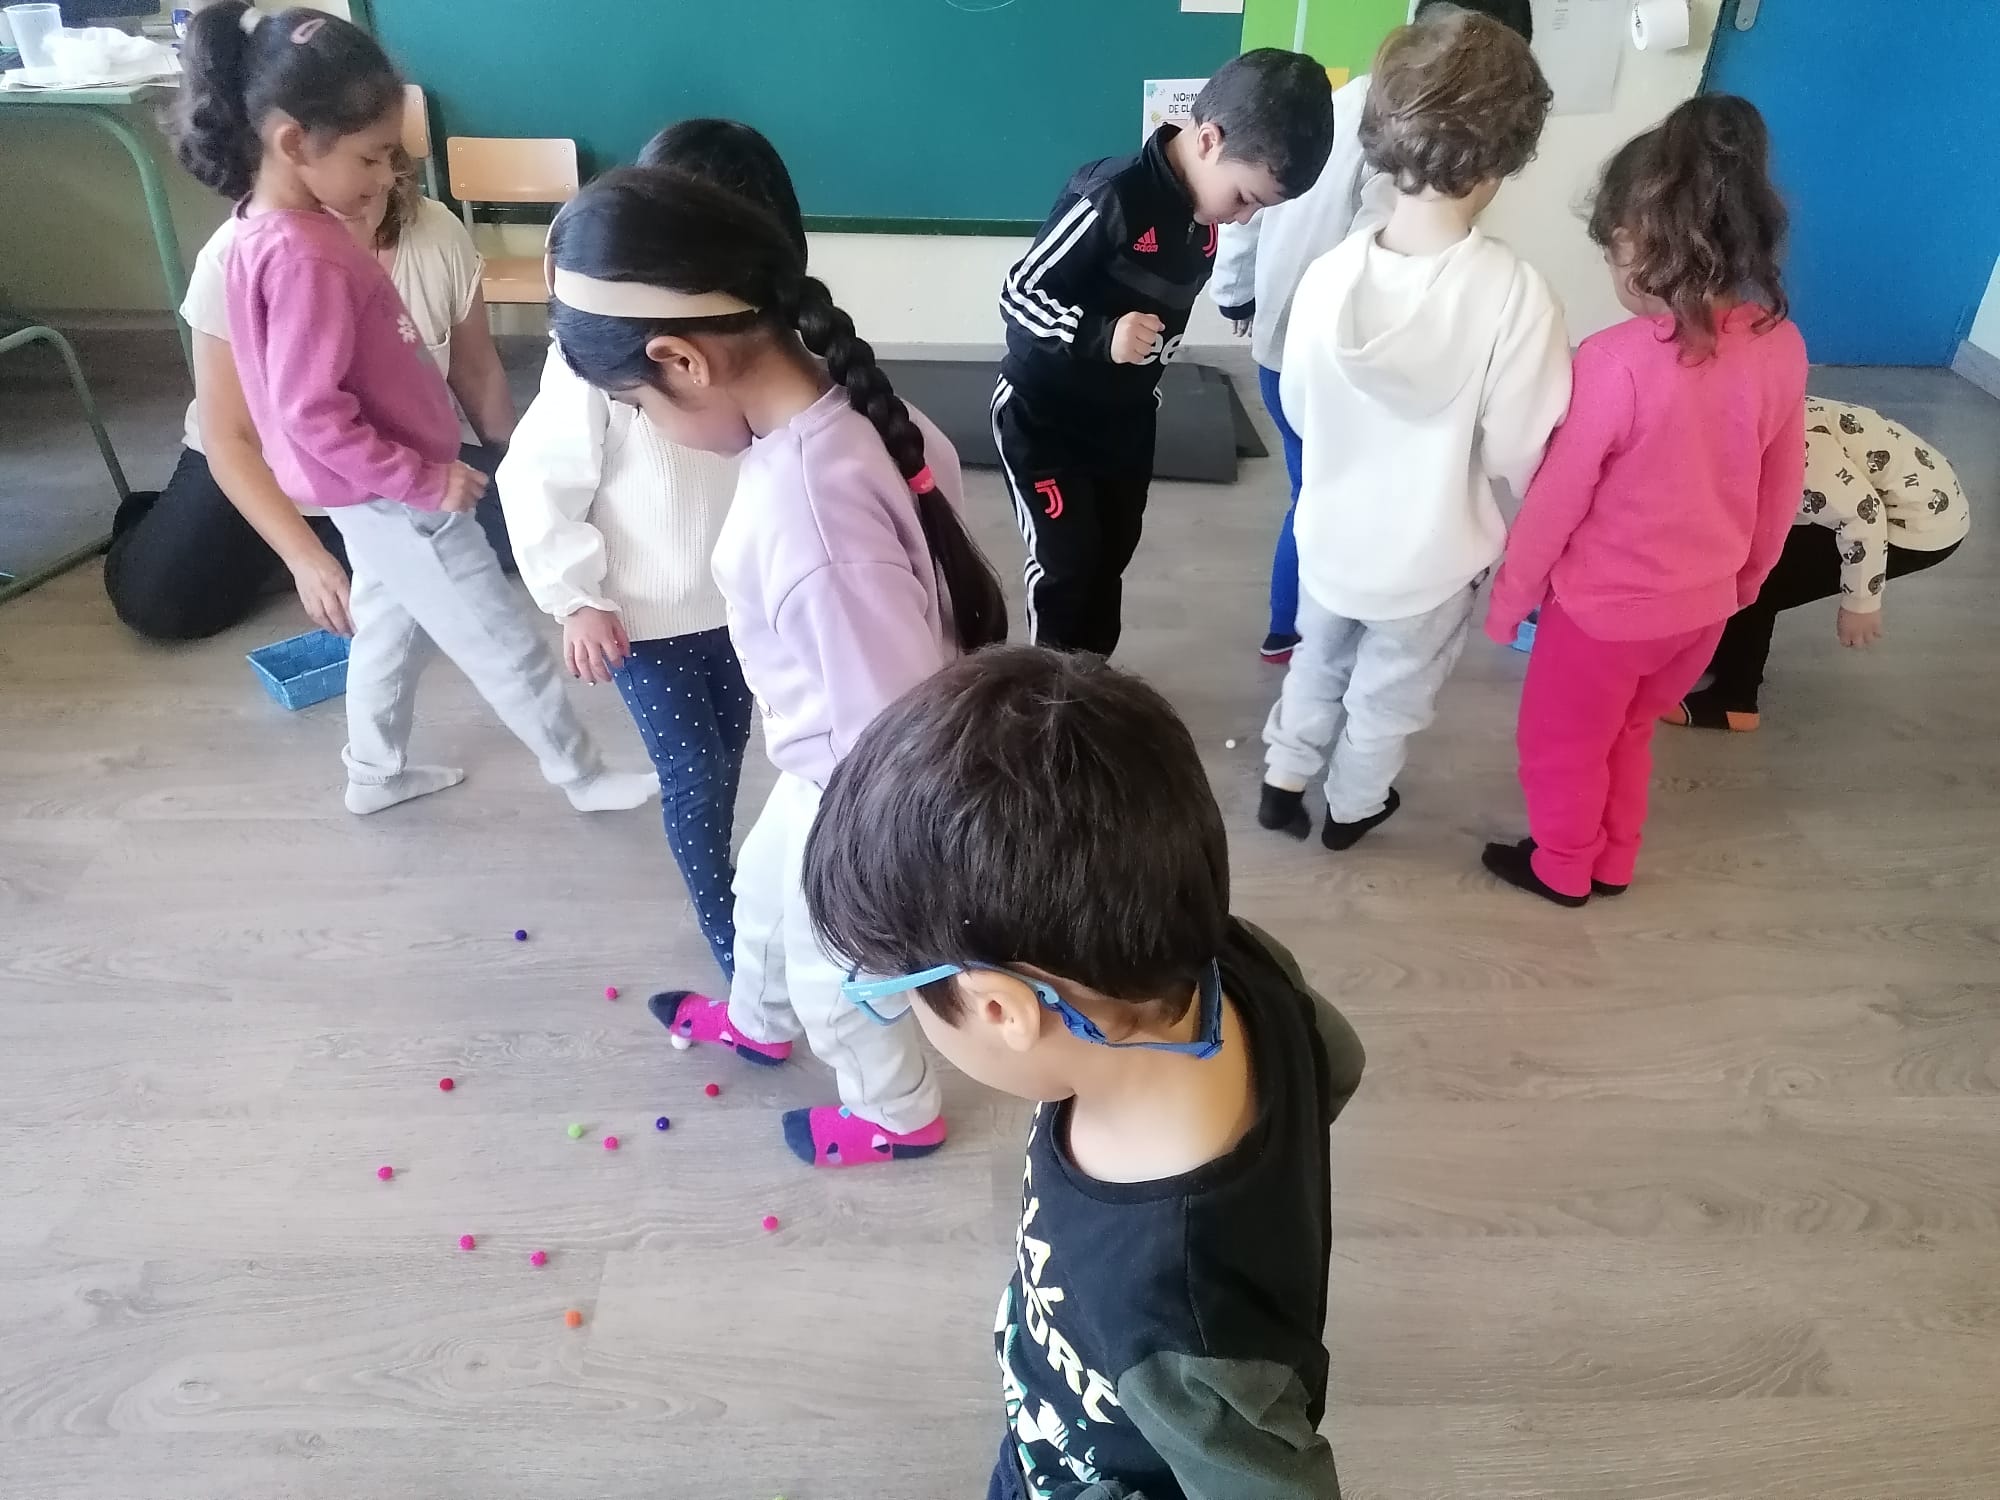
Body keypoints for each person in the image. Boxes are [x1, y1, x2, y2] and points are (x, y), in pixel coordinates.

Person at [799, 646, 1365, 1500]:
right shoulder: (1232, 959)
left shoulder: (1176, 1314)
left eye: (897, 994)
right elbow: (1336, 1059)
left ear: (1002, 1010)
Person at [547, 165, 1008, 1168]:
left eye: (634, 403)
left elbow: (890, 724)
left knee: (836, 977)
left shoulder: (806, 513)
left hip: (864, 789)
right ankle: (756, 1022)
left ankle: (896, 1116)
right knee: (759, 893)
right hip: (829, 763)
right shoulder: (860, 411)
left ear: (682, 361)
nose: (645, 422)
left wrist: (875, 873)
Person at [171, 2, 656, 817]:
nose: (387, 178)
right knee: (502, 640)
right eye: (371, 157)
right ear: (293, 143)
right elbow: (310, 413)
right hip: (397, 496)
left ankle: (374, 771)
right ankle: (580, 776)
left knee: (388, 626)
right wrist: (424, 480)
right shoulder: (308, 257)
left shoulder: (262, 229)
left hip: (372, 495)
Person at [1482, 95, 1809, 904]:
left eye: (1612, 251)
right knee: (1628, 732)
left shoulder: (1612, 363)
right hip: (1702, 613)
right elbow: (1781, 483)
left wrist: (1511, 596)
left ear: (1641, 242)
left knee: (1562, 743)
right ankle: (1613, 859)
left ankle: (1562, 864)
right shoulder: (1780, 344)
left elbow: (1556, 503)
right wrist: (1747, 581)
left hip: (1602, 616)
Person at [500, 119, 803, 983]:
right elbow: (537, 480)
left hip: (735, 603)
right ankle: (722, 921)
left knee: (730, 751)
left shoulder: (761, 339)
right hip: (642, 620)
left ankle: (729, 883)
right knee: (696, 772)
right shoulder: (594, 357)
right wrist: (577, 598)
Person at [1259, 11, 1568, 852]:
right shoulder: (1515, 294)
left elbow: (1299, 409)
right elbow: (1520, 448)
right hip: (1430, 562)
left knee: (1318, 658)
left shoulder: (1328, 277)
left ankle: (1283, 781)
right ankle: (1353, 808)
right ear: (1504, 158)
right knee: (1390, 693)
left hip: (1330, 541)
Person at [1210, 0, 1536, 664]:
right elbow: (1381, 261)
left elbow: (1255, 210)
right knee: (1331, 498)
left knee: (1313, 491)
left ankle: (1296, 633)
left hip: (1286, 341)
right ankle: (1310, 631)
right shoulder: (1416, 149)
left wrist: (1235, 292)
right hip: (1341, 358)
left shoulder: (1338, 101)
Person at [993, 48, 1336, 657]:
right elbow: (1019, 293)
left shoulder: (1203, 219)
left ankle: (1090, 681)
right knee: (1067, 562)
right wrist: (1100, 335)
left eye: (1259, 208)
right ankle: (1047, 692)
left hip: (1124, 422)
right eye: (1245, 198)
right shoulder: (1110, 195)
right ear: (1208, 140)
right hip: (1044, 417)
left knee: (1111, 555)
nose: (1243, 218)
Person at [103, 146, 518, 642]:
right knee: (157, 605)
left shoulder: (437, 233)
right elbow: (229, 438)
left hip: (394, 464)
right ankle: (168, 519)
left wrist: (519, 473)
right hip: (266, 469)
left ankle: (324, 544)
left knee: (530, 530)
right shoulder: (234, 251)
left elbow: (477, 373)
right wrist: (304, 559)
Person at [1666, 396, 1970, 732]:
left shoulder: (1802, 456)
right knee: (1750, 561)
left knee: (1759, 579)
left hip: (1918, 524)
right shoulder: (1754, 418)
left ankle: (1734, 701)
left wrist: (1860, 603)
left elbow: (1863, 519)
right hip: (1890, 491)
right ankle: (1730, 654)